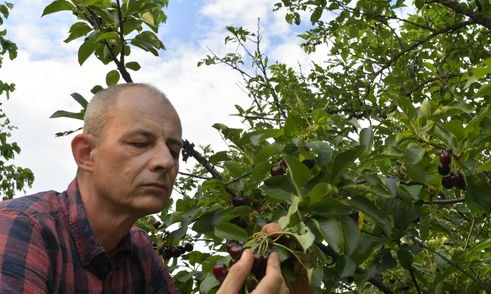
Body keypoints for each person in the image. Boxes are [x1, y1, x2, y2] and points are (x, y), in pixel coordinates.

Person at [0, 83, 289, 293]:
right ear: (87, 153)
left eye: (174, 150)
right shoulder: (23, 227)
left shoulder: (138, 251)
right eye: (139, 143)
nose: (166, 162)